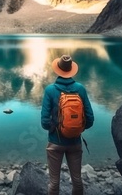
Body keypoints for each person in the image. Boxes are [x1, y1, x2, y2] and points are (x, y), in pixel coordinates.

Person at [41, 55, 94, 195]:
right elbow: (90, 119)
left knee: (54, 182)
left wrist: (55, 129)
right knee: (77, 180)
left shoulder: (50, 90)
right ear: (71, 70)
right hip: (75, 142)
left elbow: (44, 122)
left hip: (55, 143)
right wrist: (76, 129)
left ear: (57, 70)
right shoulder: (80, 89)